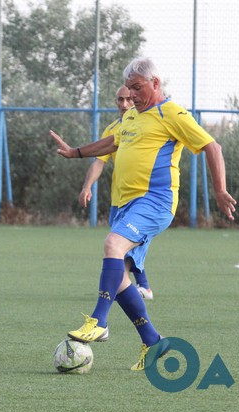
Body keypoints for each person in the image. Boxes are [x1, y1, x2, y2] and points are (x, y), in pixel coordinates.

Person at [50, 57, 237, 370]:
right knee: (120, 275)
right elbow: (112, 141)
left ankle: (98, 321)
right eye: (129, 89)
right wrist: (75, 152)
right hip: (127, 205)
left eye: (137, 88)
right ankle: (153, 341)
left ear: (156, 83)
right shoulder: (134, 116)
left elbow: (211, 147)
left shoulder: (171, 112)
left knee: (112, 245)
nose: (132, 95)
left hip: (155, 200)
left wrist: (219, 190)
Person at [78, 85, 154, 300]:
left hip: (143, 201)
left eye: (129, 99)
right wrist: (87, 186)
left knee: (125, 246)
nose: (124, 104)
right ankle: (143, 287)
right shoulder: (112, 130)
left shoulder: (147, 125)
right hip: (118, 201)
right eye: (120, 99)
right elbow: (98, 162)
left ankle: (122, 291)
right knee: (119, 247)